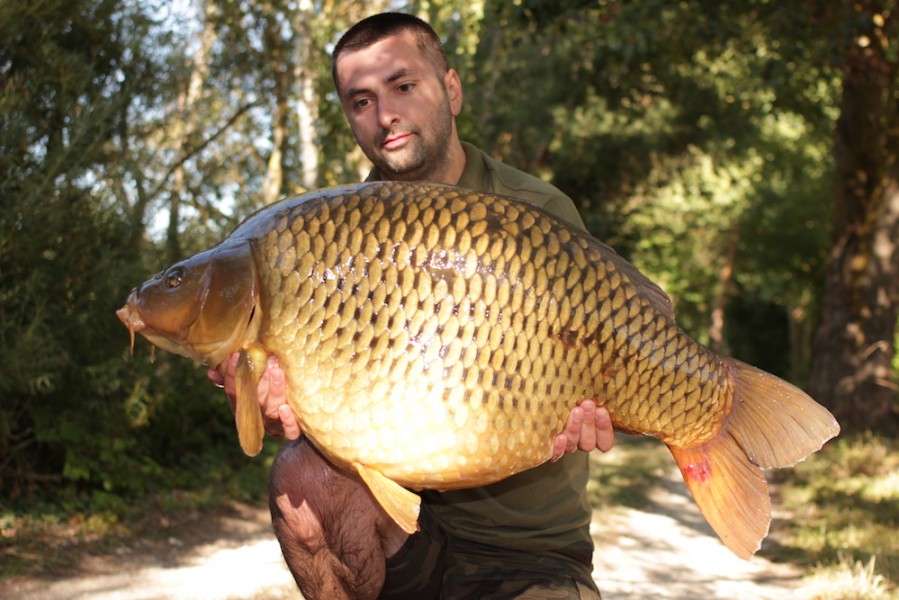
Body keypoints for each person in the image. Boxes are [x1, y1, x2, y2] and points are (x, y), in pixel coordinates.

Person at [209, 12, 615, 599]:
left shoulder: (534, 209)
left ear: (451, 89)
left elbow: (598, 349)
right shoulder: (334, 232)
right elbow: (328, 401)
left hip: (527, 548)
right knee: (300, 478)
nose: (386, 114)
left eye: (403, 87)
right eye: (361, 101)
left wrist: (586, 403)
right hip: (402, 525)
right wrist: (278, 409)